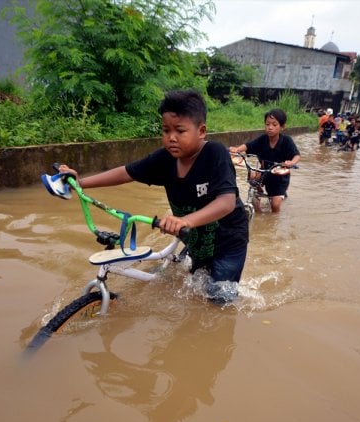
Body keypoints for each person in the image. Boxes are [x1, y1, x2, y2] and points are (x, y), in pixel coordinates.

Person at [57, 90, 249, 304]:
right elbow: (125, 173)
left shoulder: (215, 153)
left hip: (228, 240)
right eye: (166, 130)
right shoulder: (164, 159)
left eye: (180, 131)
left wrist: (185, 221)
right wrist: (80, 183)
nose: (171, 138)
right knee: (197, 288)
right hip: (195, 238)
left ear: (201, 131)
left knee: (219, 301)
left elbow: (226, 202)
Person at [229, 108, 301, 213]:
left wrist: (292, 162)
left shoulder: (287, 141)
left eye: (274, 125)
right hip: (264, 172)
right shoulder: (263, 139)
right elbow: (248, 145)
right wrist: (237, 150)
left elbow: (297, 155)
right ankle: (259, 214)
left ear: (282, 127)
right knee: (252, 179)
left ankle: (274, 220)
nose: (270, 128)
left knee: (275, 205)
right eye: (267, 124)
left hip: (280, 177)